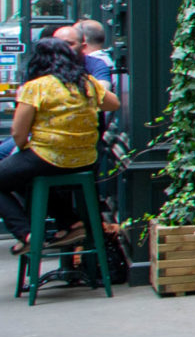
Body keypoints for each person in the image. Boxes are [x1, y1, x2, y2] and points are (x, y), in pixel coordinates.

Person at [0, 38, 119, 246]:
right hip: (86, 161)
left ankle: (27, 235)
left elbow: (18, 133)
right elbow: (113, 104)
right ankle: (71, 222)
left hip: (48, 157)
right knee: (22, 176)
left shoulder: (35, 87)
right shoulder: (86, 82)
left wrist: (23, 150)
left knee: (17, 173)